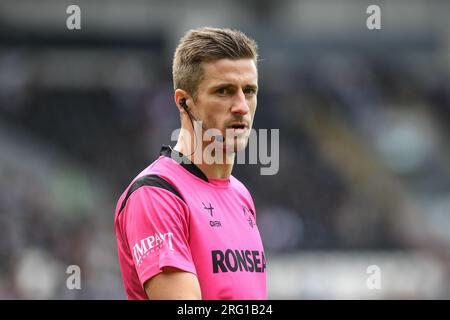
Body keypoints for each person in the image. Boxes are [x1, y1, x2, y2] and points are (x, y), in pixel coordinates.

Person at [114, 27, 266, 300]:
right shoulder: (156, 195)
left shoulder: (241, 195)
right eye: (224, 91)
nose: (242, 106)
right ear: (185, 102)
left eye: (250, 91)